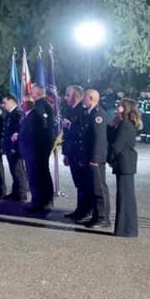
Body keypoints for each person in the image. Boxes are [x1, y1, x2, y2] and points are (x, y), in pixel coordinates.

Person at [76, 88, 110, 228]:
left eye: (84, 97)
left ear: (91, 98)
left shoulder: (98, 115)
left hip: (95, 158)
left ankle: (103, 218)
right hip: (88, 157)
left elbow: (99, 139)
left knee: (99, 188)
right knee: (91, 188)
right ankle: (95, 216)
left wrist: (95, 158)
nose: (82, 100)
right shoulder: (88, 113)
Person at [108, 98, 139, 237]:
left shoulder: (125, 125)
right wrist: (111, 126)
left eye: (120, 106)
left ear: (125, 109)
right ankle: (125, 228)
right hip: (124, 163)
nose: (117, 108)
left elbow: (117, 145)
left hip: (125, 162)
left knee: (126, 197)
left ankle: (127, 229)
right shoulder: (122, 123)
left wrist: (109, 158)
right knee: (124, 196)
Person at [24, 83, 57, 214]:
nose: (30, 92)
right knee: (39, 173)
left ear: (37, 92)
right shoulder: (40, 105)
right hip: (37, 146)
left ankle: (41, 201)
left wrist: (36, 144)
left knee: (39, 174)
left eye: (32, 90)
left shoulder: (41, 106)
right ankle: (40, 200)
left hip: (38, 147)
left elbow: (42, 128)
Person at [60, 85, 91, 221]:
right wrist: (66, 153)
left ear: (76, 96)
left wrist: (70, 125)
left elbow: (83, 133)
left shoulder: (82, 111)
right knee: (78, 182)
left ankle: (86, 210)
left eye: (68, 95)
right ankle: (80, 209)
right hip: (72, 152)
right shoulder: (70, 110)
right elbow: (66, 135)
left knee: (84, 183)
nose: (65, 97)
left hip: (80, 153)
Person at [0, 94, 28, 201]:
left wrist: (13, 147)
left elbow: (18, 132)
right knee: (13, 170)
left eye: (5, 102)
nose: (3, 105)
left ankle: (21, 193)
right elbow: (6, 132)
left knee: (18, 170)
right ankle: (15, 192)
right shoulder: (9, 114)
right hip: (9, 147)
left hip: (15, 148)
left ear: (11, 101)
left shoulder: (18, 114)